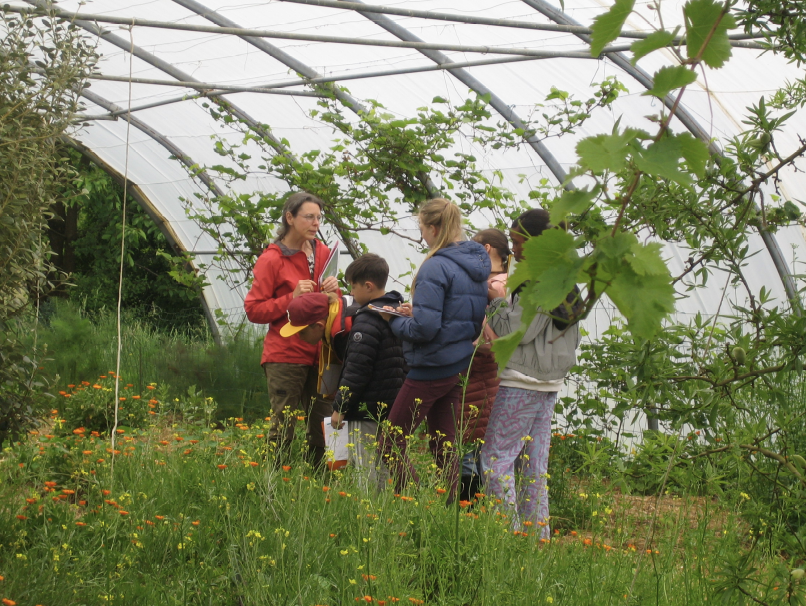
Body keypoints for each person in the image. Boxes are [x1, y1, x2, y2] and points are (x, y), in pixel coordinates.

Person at [480, 208, 582, 538]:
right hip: (547, 382)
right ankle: (537, 539)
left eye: (517, 240)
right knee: (532, 468)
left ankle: (508, 537)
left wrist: (496, 301)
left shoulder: (537, 278)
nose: (515, 249)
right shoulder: (565, 276)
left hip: (521, 380)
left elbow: (518, 332)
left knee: (495, 462)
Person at [380, 198, 491, 500]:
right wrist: (416, 311)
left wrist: (393, 322)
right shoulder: (476, 264)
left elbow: (426, 329)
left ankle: (412, 501)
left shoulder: (435, 266)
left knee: (390, 442)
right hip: (458, 365)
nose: (422, 236)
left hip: (430, 368)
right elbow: (455, 314)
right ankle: (453, 508)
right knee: (444, 444)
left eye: (421, 229)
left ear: (433, 227)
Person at [244, 191, 339, 468]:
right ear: (289, 218)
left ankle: (322, 484)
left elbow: (331, 302)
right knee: (283, 425)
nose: (315, 223)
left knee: (326, 423)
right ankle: (275, 483)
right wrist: (291, 298)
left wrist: (334, 289)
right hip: (285, 353)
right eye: (309, 217)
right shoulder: (271, 259)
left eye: (319, 217)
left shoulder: (324, 252)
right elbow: (253, 310)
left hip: (323, 354)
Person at [330, 254, 406, 489]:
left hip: (366, 409)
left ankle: (368, 516)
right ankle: (384, 512)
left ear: (368, 286)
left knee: (365, 467)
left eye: (353, 287)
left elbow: (356, 369)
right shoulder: (397, 314)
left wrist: (340, 407)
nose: (351, 293)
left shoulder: (366, 321)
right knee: (384, 464)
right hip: (391, 406)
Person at [458, 228, 510, 501]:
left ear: (486, 249)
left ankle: (468, 503)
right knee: (475, 436)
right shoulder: (500, 281)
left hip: (481, 364)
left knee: (471, 438)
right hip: (489, 368)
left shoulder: (495, 286)